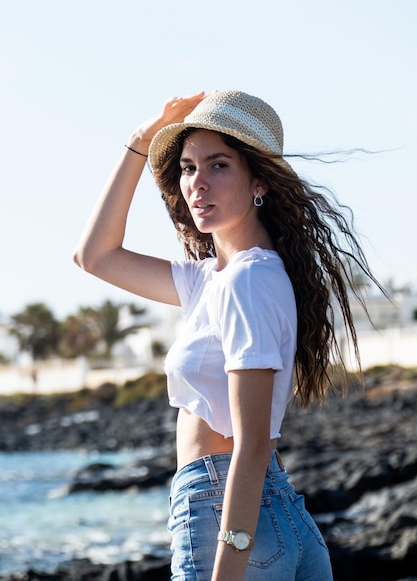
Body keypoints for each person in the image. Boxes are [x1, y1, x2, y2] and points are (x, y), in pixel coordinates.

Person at [73, 90, 382, 580]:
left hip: (227, 516)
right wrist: (140, 140)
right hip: (281, 518)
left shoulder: (246, 280)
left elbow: (254, 442)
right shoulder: (212, 280)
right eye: (188, 168)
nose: (197, 184)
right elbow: (95, 257)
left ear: (259, 180)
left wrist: (228, 564)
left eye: (218, 165)